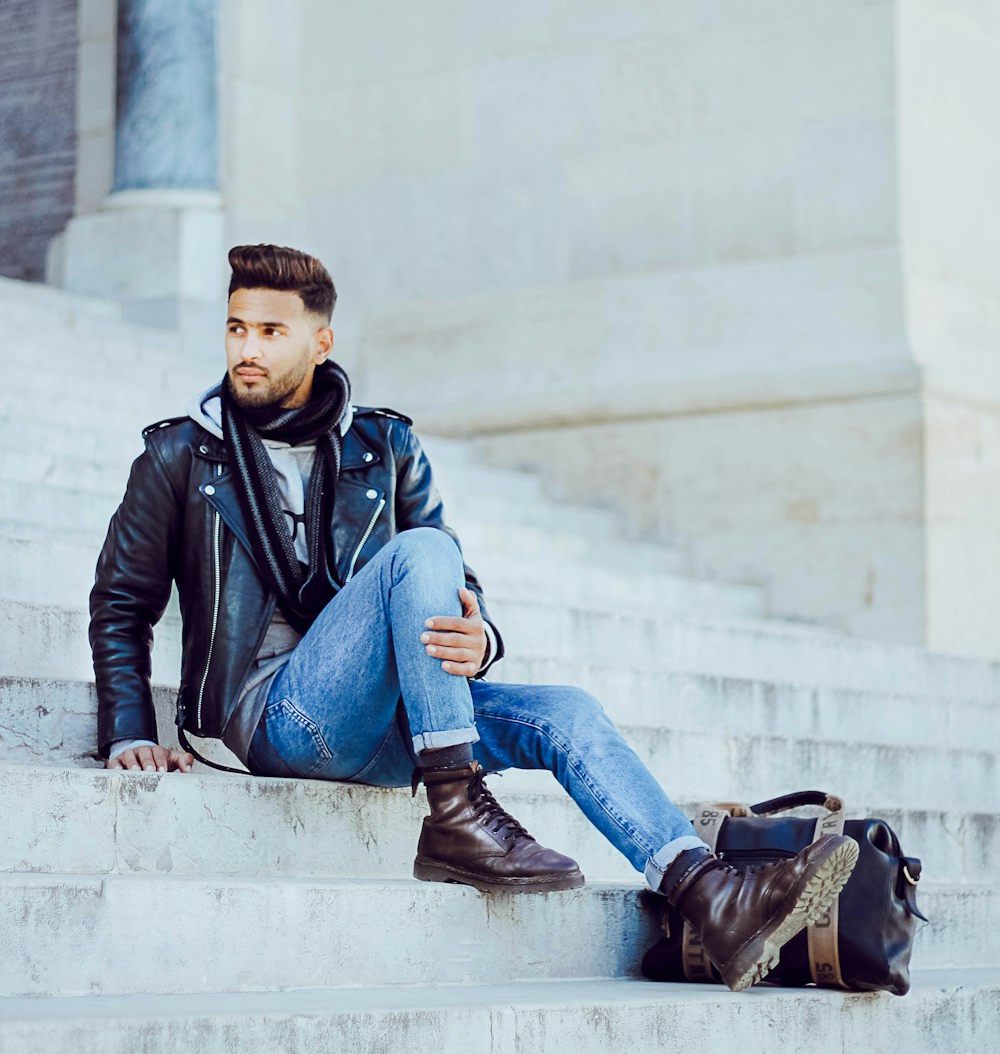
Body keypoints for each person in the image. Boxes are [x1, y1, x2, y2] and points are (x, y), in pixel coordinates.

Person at [91, 242, 859, 993]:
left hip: (390, 715)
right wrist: (130, 728)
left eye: (269, 331)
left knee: (566, 712)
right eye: (235, 328)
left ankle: (709, 895)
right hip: (269, 714)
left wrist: (481, 636)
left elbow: (460, 581)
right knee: (417, 551)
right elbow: (122, 601)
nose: (246, 350)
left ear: (320, 342)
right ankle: (455, 811)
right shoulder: (183, 457)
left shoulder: (383, 445)